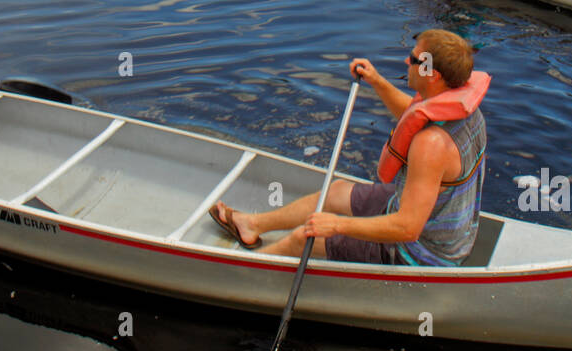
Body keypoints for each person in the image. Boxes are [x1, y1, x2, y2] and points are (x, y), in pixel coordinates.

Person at [209, 29, 490, 266]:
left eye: (415, 59)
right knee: (336, 191)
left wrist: (337, 224)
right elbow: (412, 115)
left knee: (304, 237)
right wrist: (377, 82)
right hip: (442, 225)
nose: (407, 60)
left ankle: (243, 272)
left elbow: (407, 228)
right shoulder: (467, 113)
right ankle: (252, 225)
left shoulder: (430, 146)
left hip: (420, 252)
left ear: (433, 74)